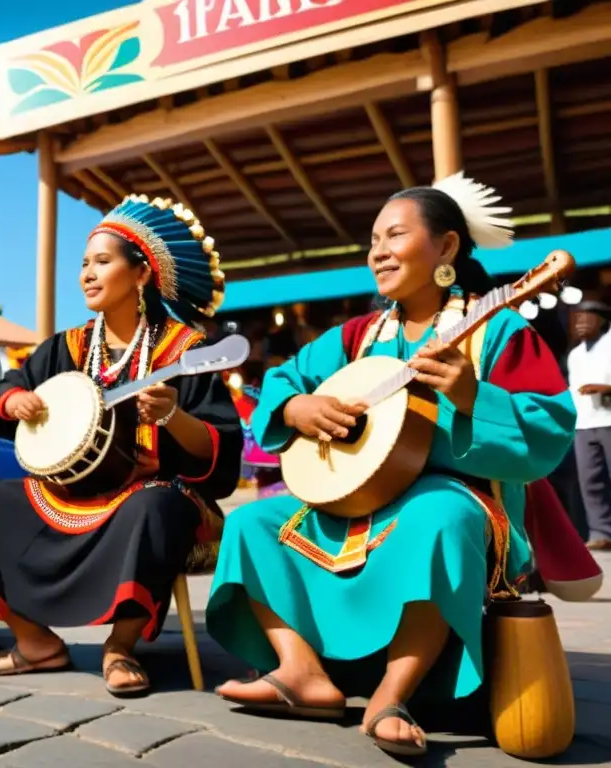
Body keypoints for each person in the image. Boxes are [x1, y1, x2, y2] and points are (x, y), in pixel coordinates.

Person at [205, 173, 576, 757]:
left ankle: (391, 694)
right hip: (355, 502)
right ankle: (301, 669)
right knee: (252, 524)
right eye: (372, 239)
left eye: (395, 235)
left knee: (438, 517)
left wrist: (474, 396)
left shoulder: (498, 328)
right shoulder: (355, 337)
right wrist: (298, 406)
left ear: (447, 248)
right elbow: (281, 382)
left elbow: (548, 425)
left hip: (449, 501)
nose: (377, 251)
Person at [0, 194, 242, 697]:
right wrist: (14, 400)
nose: (87, 274)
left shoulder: (187, 351)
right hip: (71, 492)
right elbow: (7, 386)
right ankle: (34, 640)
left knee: (154, 506)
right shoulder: (67, 346)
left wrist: (172, 416)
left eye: (103, 262)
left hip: (148, 491)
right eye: (84, 264)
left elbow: (219, 451)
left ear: (141, 274)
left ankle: (120, 647)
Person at [566, 300, 611, 550]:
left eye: (587, 318)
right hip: (584, 424)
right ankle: (601, 532)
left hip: (609, 420)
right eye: (577, 319)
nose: (580, 323)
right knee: (590, 481)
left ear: (602, 320)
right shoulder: (575, 354)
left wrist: (606, 389)